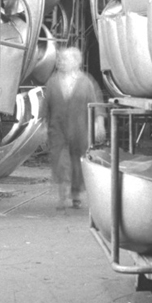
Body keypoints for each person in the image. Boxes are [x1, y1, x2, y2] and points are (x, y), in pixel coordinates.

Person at [43, 46, 106, 210]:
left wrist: (99, 122)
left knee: (77, 162)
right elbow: (45, 107)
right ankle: (62, 194)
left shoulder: (86, 82)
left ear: (76, 62)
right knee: (59, 160)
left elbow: (96, 103)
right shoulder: (52, 82)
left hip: (79, 128)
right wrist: (42, 128)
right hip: (57, 128)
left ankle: (76, 193)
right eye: (60, 59)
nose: (61, 62)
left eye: (65, 59)